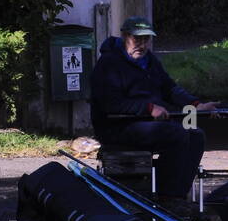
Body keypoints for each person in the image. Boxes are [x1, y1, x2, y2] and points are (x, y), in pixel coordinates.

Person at [90, 16, 219, 199]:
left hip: (145, 124)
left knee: (195, 135)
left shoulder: (149, 61)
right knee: (176, 135)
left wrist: (196, 104)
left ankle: (178, 194)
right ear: (125, 36)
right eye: (137, 39)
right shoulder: (108, 65)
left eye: (146, 39)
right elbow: (110, 104)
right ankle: (167, 196)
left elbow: (170, 88)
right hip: (116, 126)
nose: (142, 45)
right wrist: (148, 108)